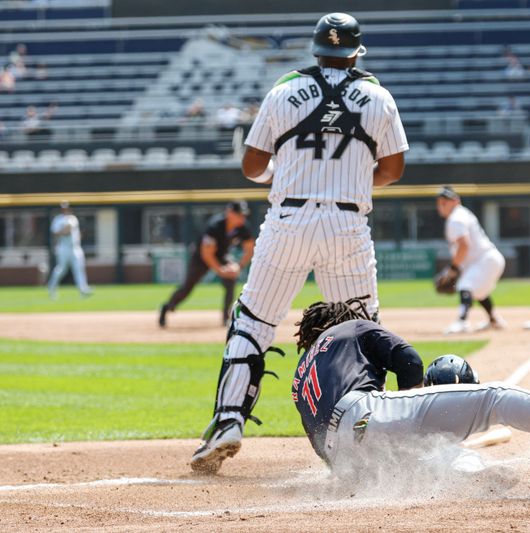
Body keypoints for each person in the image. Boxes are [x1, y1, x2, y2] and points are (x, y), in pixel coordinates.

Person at [189, 12, 408, 473]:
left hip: (287, 220)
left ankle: (228, 421)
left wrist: (282, 174)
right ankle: (376, 442)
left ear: (315, 49)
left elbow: (251, 166)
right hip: (347, 225)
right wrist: (346, 180)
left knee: (253, 322)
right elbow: (392, 170)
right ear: (355, 52)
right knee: (363, 333)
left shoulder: (283, 89)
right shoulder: (379, 96)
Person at [282, 298, 530, 478]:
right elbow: (410, 361)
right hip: (365, 413)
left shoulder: (301, 375)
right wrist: (413, 409)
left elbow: (324, 450)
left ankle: (464, 470)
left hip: (345, 459)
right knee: (493, 397)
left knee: (440, 463)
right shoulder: (352, 328)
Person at [159, 200, 254, 328]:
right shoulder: (215, 226)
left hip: (221, 256)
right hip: (201, 257)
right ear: (229, 213)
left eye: (243, 215)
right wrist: (220, 270)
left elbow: (249, 248)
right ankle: (167, 307)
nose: (242, 217)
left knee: (230, 280)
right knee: (187, 287)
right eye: (239, 214)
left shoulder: (243, 227)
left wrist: (239, 266)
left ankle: (226, 318)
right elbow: (207, 254)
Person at [436, 186, 506, 334]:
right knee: (479, 292)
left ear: (456, 201)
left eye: (445, 202)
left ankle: (462, 321)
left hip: (486, 260)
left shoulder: (455, 219)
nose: (441, 206)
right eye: (440, 202)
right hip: (488, 259)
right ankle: (494, 319)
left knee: (465, 285)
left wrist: (453, 268)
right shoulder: (462, 214)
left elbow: (464, 245)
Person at [48, 201, 92, 299]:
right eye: (63, 208)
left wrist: (67, 231)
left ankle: (83, 290)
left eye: (67, 208)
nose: (65, 210)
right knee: (61, 270)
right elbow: (56, 233)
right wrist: (64, 230)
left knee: (79, 268)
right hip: (63, 248)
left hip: (75, 248)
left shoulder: (73, 218)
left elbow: (72, 231)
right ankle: (51, 287)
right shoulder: (57, 219)